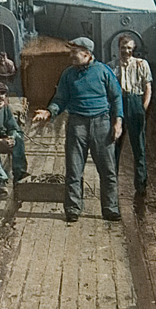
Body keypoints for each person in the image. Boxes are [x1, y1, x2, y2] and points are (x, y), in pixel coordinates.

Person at [31, 37, 124, 222]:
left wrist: (117, 122)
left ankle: (110, 208)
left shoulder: (104, 71)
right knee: (74, 169)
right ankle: (73, 209)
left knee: (108, 169)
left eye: (75, 52)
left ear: (87, 54)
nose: (71, 56)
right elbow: (60, 99)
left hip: (101, 124)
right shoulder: (68, 74)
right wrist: (49, 112)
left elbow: (116, 97)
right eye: (71, 52)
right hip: (76, 124)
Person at [111, 34, 152, 196]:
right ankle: (111, 182)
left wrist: (143, 107)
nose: (125, 51)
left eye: (129, 48)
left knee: (139, 146)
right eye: (123, 47)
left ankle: (141, 185)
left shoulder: (142, 65)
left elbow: (148, 87)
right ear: (118, 48)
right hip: (118, 102)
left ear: (133, 49)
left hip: (136, 103)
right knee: (114, 144)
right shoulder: (111, 66)